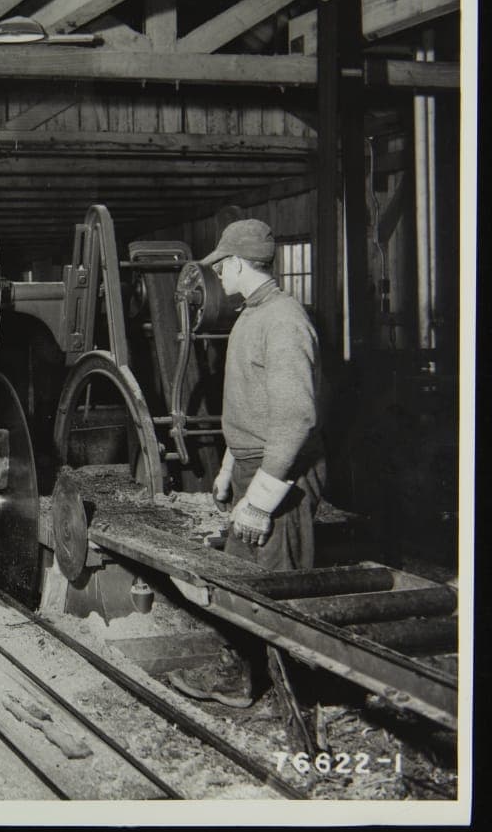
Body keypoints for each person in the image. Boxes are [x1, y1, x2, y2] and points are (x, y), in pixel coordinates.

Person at [168, 218, 327, 707]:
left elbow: (296, 420)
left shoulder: (282, 321)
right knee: (241, 579)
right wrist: (227, 471)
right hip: (253, 465)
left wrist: (259, 500)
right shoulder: (252, 316)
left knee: (278, 589)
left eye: (221, 267)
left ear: (235, 263)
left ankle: (298, 701)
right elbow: (253, 407)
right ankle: (241, 678)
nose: (217, 277)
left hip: (281, 473)